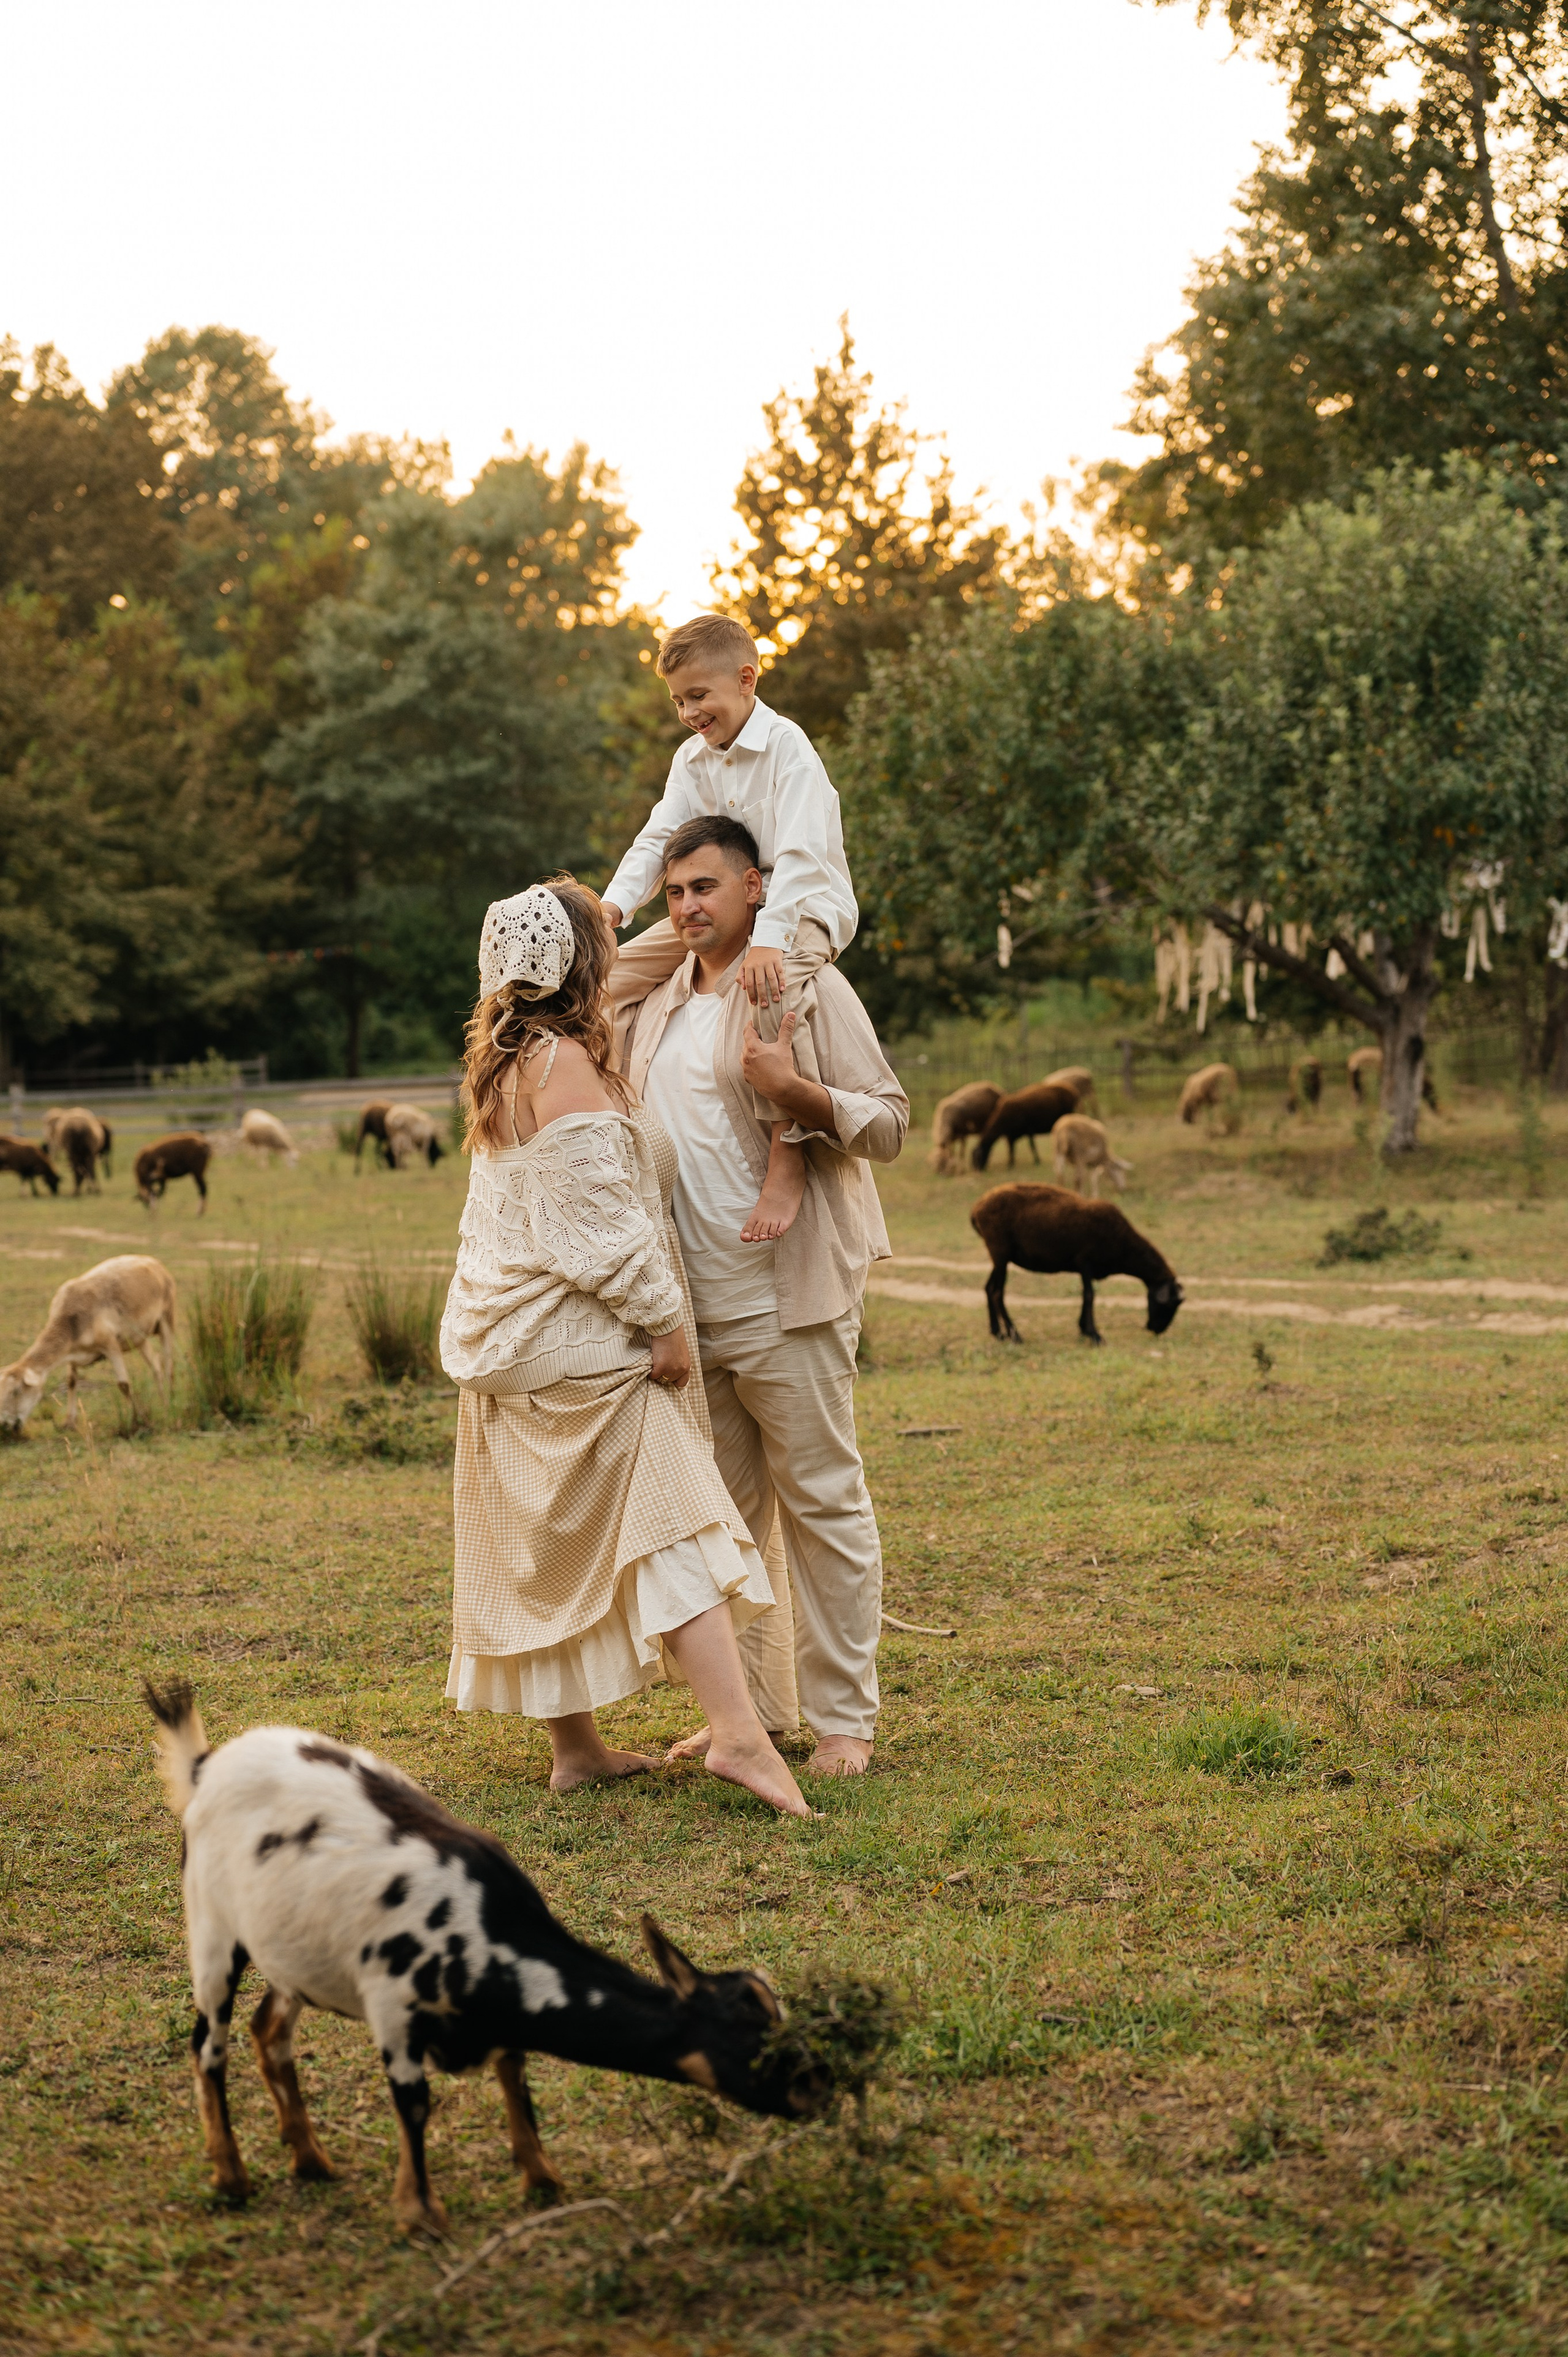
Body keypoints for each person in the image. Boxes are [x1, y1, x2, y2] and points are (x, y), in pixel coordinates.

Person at [439, 875, 810, 1816]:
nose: (619, 940)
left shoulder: (505, 1058)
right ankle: (738, 1735)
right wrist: (667, 1326)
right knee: (672, 1524)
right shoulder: (562, 1062)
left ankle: (578, 1752)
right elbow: (602, 1228)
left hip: (505, 1334)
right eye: (603, 933)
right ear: (576, 962)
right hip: (577, 1342)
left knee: (552, 1541)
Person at [617, 815, 908, 1777]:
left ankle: (843, 1724)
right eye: (675, 893)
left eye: (707, 886)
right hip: (688, 1312)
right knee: (728, 1519)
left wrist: (800, 1093)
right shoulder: (655, 1002)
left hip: (788, 1296)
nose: (689, 906)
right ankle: (753, 1715)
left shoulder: (808, 989)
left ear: (756, 888)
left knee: (822, 1503)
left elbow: (890, 1120)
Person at [600, 613, 858, 1246]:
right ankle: (609, 1120)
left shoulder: (788, 749)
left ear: (745, 679)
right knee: (608, 977)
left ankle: (787, 1148)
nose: (688, 712)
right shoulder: (691, 760)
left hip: (804, 908)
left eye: (698, 696)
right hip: (724, 903)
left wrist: (769, 937)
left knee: (767, 987)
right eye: (678, 701)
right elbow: (661, 836)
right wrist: (611, 908)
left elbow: (800, 855)